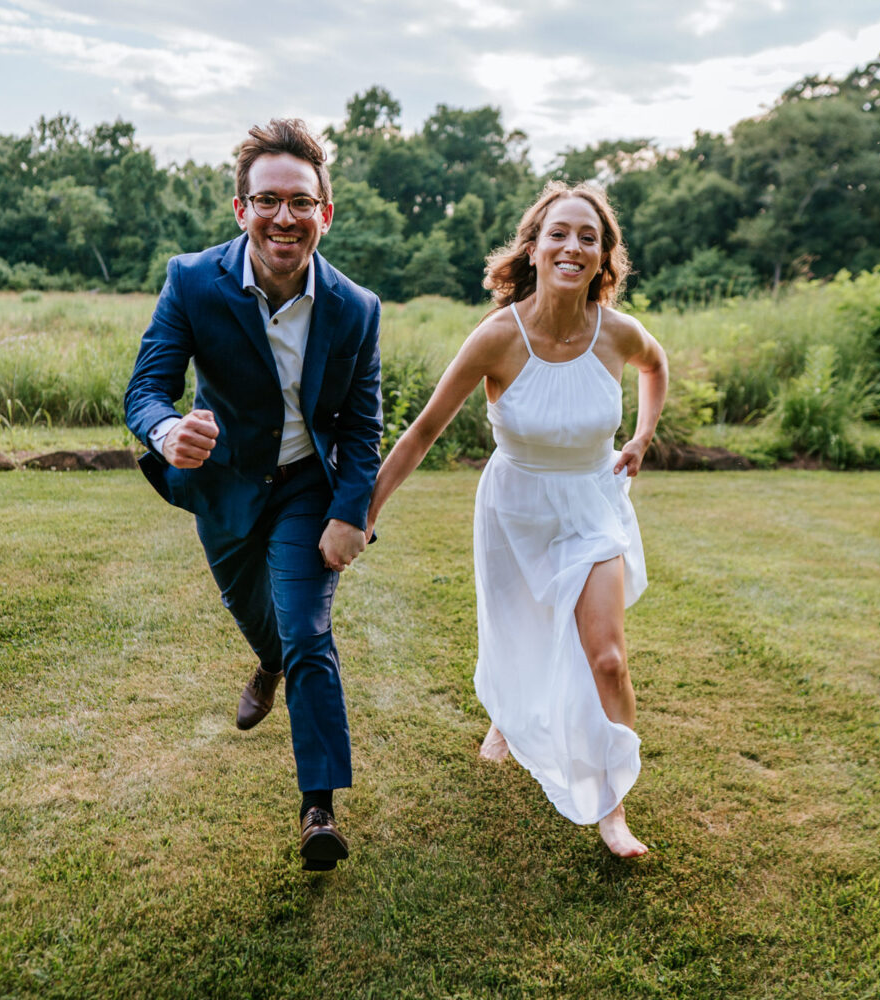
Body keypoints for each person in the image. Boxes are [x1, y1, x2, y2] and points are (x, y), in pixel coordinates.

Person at [367, 181, 667, 858]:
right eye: (558, 233)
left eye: (588, 237)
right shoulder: (498, 337)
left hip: (593, 504)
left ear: (603, 257)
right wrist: (365, 512)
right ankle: (506, 714)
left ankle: (611, 806)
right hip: (515, 510)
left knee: (608, 660)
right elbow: (422, 433)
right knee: (520, 636)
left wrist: (641, 438)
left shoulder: (616, 333)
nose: (572, 247)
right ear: (532, 248)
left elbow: (656, 366)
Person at [125, 119, 382, 872]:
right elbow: (146, 389)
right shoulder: (191, 280)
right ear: (241, 210)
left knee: (308, 631)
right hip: (224, 484)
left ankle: (318, 809)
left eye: (300, 202)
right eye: (266, 200)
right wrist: (167, 430)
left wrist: (348, 514)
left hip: (308, 485)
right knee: (259, 621)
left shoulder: (357, 309)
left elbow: (363, 429)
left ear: (324, 214)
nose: (284, 217)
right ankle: (262, 663)